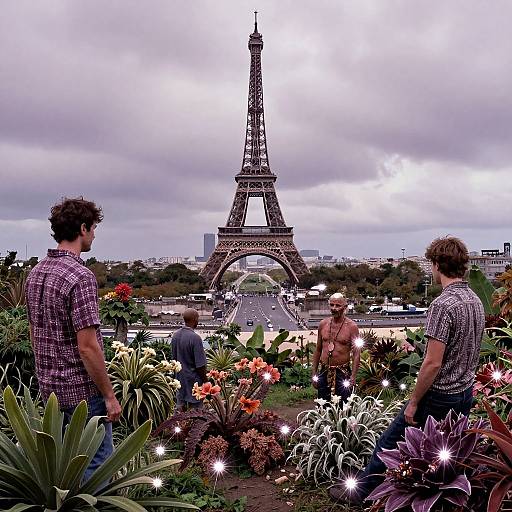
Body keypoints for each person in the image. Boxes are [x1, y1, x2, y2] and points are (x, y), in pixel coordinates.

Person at [330, 236, 485, 505]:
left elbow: (432, 362)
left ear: (437, 265)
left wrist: (414, 402)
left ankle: (362, 494)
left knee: (388, 444)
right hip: (464, 392)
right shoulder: (475, 301)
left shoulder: (442, 305)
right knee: (444, 452)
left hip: (439, 395)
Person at [25, 197, 122, 482]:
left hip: (50, 390)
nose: (94, 234)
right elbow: (88, 346)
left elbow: (34, 331)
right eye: (93, 228)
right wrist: (109, 395)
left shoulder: (36, 273)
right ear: (82, 228)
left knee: (66, 470)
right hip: (82, 394)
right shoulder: (81, 277)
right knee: (96, 472)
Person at [311, 293, 361, 403]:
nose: (334, 308)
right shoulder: (323, 324)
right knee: (322, 403)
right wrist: (314, 372)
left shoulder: (352, 327)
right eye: (332, 305)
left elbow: (356, 353)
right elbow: (318, 349)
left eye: (338, 305)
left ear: (345, 307)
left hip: (342, 373)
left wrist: (353, 376)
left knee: (344, 405)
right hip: (324, 371)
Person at [172, 308, 207, 411]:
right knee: (196, 413)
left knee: (179, 413)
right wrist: (206, 381)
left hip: (179, 381)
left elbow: (174, 359)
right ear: (195, 319)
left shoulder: (175, 335)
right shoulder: (195, 338)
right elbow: (200, 365)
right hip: (193, 383)